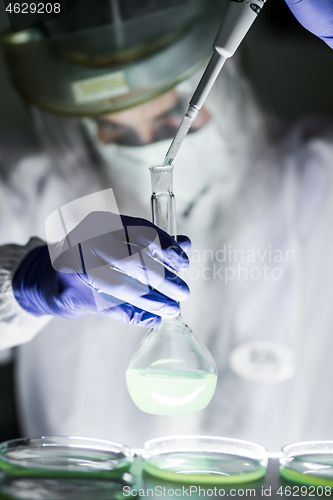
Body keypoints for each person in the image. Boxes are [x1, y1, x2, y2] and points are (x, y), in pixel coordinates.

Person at [1, 0, 333, 452]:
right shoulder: (30, 189)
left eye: (170, 120)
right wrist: (25, 283)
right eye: (114, 130)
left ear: (228, 89)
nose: (148, 147)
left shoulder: (318, 176)